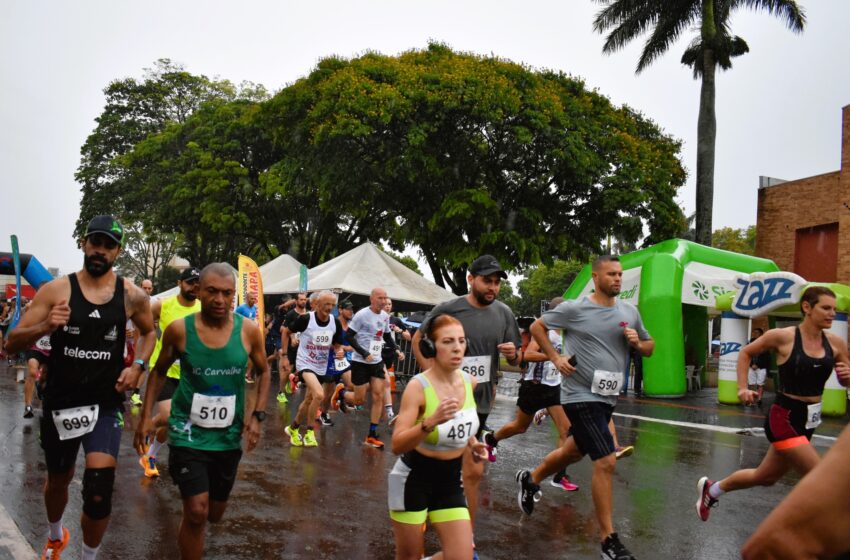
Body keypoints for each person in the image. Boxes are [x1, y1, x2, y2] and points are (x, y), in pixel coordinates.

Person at [5, 215, 156, 560]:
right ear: (84, 244)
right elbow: (12, 343)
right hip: (62, 402)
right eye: (95, 242)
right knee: (59, 479)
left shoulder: (131, 295)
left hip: (104, 404)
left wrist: (138, 366)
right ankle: (57, 535)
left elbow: (149, 332)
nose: (100, 250)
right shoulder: (57, 290)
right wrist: (45, 323)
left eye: (108, 245)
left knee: (100, 490)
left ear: (117, 251)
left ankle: (89, 556)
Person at [516, 255, 654, 560]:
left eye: (620, 274)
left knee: (572, 451)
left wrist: (637, 343)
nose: (617, 279)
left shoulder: (630, 312)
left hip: (608, 397)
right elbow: (538, 327)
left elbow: (650, 346)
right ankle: (608, 541)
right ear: (595, 277)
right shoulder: (574, 309)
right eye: (611, 274)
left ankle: (532, 478)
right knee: (605, 460)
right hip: (578, 395)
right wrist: (555, 357)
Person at [134, 263, 270, 560]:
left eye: (227, 293)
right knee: (196, 511)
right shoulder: (179, 330)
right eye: (211, 291)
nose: (219, 299)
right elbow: (157, 373)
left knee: (215, 514)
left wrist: (258, 416)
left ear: (234, 295)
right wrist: (145, 417)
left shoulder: (248, 331)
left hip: (227, 437)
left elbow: (264, 370)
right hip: (186, 433)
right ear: (198, 291)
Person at [696, 286, 849, 522]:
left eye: (834, 309)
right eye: (826, 308)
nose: (832, 313)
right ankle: (797, 533)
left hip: (809, 420)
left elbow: (844, 376)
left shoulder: (836, 343)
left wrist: (847, 376)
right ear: (807, 308)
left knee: (765, 477)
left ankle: (712, 489)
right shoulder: (784, 336)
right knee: (820, 475)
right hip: (784, 416)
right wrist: (742, 387)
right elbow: (746, 352)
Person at [411, 254, 522, 555]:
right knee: (433, 462)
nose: (493, 287)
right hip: (442, 400)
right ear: (471, 279)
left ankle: (465, 539)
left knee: (472, 470)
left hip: (479, 401)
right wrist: (428, 379)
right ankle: (418, 510)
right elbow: (417, 340)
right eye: (487, 280)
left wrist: (513, 354)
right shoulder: (449, 309)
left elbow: (518, 359)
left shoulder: (504, 313)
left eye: (497, 282)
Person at [389, 314, 488, 560]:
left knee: (462, 557)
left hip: (450, 482)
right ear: (431, 347)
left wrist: (473, 444)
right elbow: (397, 444)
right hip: (412, 481)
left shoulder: (470, 382)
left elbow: (464, 426)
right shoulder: (418, 387)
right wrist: (430, 423)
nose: (457, 348)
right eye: (447, 341)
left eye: (461, 341)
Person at [483, 297, 578, 492]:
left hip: (553, 388)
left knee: (566, 431)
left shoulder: (567, 333)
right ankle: (491, 440)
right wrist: (553, 357)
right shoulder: (544, 331)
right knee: (520, 427)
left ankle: (560, 475)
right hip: (533, 387)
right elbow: (529, 355)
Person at [741, 423, 850, 560]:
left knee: (765, 476)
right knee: (775, 545)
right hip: (786, 419)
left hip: (806, 422)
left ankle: (714, 488)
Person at [138, 267, 201, 479]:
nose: (194, 287)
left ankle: (150, 454)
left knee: (171, 422)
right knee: (167, 416)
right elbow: (144, 326)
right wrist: (139, 357)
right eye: (190, 282)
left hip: (188, 374)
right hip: (163, 370)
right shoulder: (163, 305)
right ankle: (149, 425)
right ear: (179, 283)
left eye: (197, 283)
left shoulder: (203, 308)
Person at [280, 291, 344, 446]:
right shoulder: (306, 319)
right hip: (305, 363)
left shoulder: (335, 323)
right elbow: (286, 331)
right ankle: (309, 432)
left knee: (309, 399)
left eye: (332, 305)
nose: (328, 308)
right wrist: (284, 355)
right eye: (326, 304)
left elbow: (337, 344)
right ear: (317, 304)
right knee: (319, 394)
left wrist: (339, 351)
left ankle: (293, 427)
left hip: (321, 365)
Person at [337, 287, 398, 448]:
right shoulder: (362, 315)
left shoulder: (385, 316)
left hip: (376, 361)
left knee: (378, 395)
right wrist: (363, 352)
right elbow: (349, 336)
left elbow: (385, 335)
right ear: (372, 299)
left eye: (385, 298)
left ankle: (372, 434)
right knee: (359, 400)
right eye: (380, 298)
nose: (384, 301)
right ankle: (341, 393)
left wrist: (396, 348)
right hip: (360, 361)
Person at [382, 297, 409, 421]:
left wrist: (400, 331)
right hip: (377, 352)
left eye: (390, 304)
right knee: (385, 380)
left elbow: (408, 337)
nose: (388, 306)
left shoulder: (395, 320)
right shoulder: (375, 318)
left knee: (384, 381)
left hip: (390, 352)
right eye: (385, 304)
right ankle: (389, 411)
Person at [280, 292, 308, 400]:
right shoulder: (291, 314)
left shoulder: (308, 314)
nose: (303, 301)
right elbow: (282, 329)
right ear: (296, 301)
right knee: (287, 369)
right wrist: (292, 337)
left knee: (300, 370)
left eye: (305, 300)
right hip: (291, 347)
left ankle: (290, 382)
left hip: (303, 348)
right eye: (301, 300)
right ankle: (280, 393)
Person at [235, 292, 259, 383]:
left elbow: (253, 318)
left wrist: (255, 323)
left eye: (254, 299)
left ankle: (247, 374)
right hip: (240, 334)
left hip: (250, 334)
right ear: (247, 299)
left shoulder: (254, 308)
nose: (253, 300)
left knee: (251, 354)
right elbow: (234, 317)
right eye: (252, 299)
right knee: (240, 355)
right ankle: (237, 373)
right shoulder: (241, 308)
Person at [748, 327, 771, 406]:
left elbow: (767, 357)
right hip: (751, 366)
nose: (755, 334)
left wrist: (757, 365)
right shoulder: (751, 342)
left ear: (761, 334)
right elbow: (748, 353)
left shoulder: (765, 343)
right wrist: (751, 364)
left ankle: (759, 399)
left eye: (756, 333)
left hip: (761, 367)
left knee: (760, 384)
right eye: (754, 333)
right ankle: (752, 399)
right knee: (751, 384)